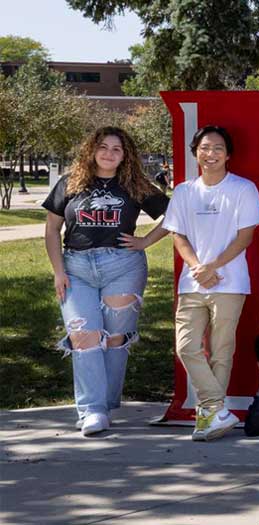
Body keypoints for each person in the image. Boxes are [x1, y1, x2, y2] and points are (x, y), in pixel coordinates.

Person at [42, 127, 171, 436]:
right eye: (103, 147)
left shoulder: (135, 184)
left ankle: (107, 404)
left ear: (125, 155)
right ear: (92, 150)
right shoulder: (70, 183)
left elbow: (174, 215)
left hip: (123, 266)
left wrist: (145, 241)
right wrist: (59, 271)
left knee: (114, 339)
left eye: (117, 149)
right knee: (83, 335)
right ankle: (92, 410)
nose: (109, 153)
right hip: (76, 267)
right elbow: (51, 231)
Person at [160, 126, 259, 442]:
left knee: (222, 351)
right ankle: (216, 408)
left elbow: (245, 236)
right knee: (186, 346)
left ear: (228, 154)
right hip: (192, 283)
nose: (211, 153)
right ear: (196, 152)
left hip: (229, 282)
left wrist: (214, 266)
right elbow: (177, 234)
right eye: (205, 147)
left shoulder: (242, 189)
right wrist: (197, 267)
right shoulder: (184, 191)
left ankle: (209, 418)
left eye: (218, 148)